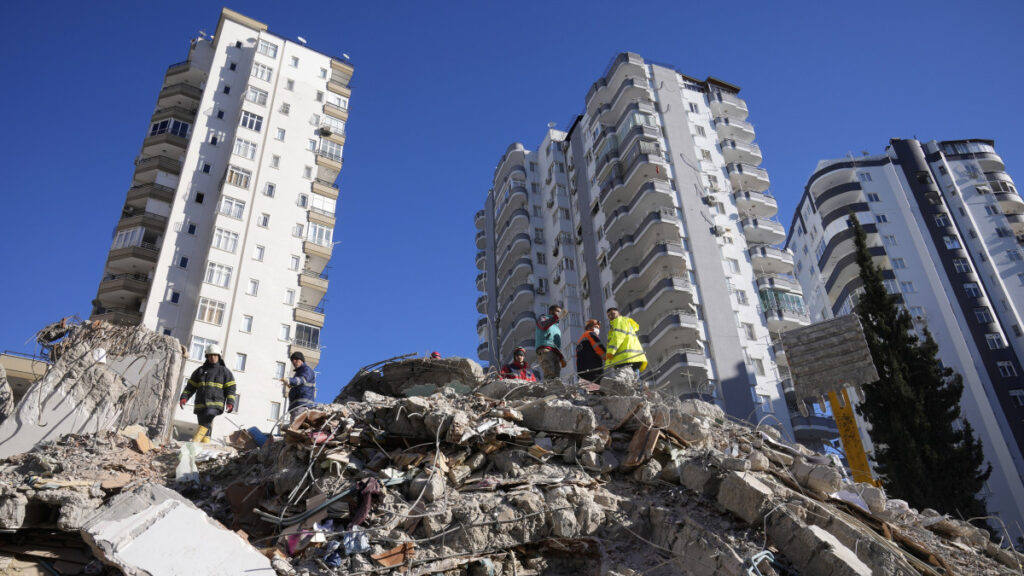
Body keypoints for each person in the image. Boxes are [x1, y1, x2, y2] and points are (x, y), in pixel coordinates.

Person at [179, 344, 236, 443]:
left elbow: (231, 389)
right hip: (200, 405)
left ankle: (194, 443)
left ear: (219, 356)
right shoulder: (200, 371)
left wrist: (230, 402)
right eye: (210, 355)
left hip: (215, 404)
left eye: (215, 355)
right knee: (204, 424)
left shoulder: (225, 372)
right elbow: (190, 387)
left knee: (207, 418)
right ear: (207, 356)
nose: (212, 357)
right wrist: (184, 397)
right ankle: (205, 446)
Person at [604, 307, 648, 384]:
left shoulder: (619, 321)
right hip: (633, 357)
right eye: (609, 315)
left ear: (619, 314)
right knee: (634, 380)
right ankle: (638, 391)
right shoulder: (626, 323)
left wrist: (611, 352)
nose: (611, 316)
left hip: (625, 358)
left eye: (613, 314)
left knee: (624, 381)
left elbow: (618, 336)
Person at [281, 351, 316, 418]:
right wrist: (290, 385)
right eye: (292, 360)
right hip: (297, 406)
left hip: (301, 406)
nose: (294, 362)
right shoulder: (299, 372)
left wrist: (290, 380)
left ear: (301, 360)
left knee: (295, 426)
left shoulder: (306, 370)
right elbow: (300, 384)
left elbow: (302, 379)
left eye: (296, 359)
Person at [535, 305, 565, 380]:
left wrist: (561, 357)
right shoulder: (543, 318)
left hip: (555, 352)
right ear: (551, 312)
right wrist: (555, 317)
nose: (559, 313)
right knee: (549, 373)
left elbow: (557, 344)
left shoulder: (556, 327)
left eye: (560, 312)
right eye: (557, 311)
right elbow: (543, 325)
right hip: (546, 349)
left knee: (556, 376)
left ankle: (555, 391)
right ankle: (550, 390)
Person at [576, 319, 606, 383]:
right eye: (596, 327)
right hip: (593, 369)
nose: (597, 329)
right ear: (589, 327)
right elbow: (599, 347)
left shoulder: (580, 340)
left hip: (582, 372)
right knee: (599, 388)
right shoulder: (590, 334)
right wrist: (609, 358)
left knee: (592, 391)